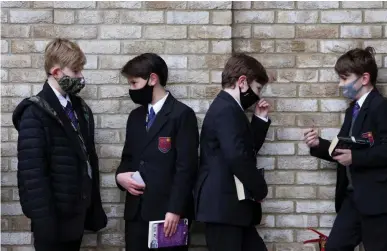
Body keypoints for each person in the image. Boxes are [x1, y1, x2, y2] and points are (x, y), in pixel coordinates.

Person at [303, 46, 387, 251]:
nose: (340, 84)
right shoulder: (352, 111)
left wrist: (355, 157)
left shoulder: (383, 106)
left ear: (364, 78)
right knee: (335, 247)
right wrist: (318, 145)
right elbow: (343, 148)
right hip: (354, 199)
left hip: (381, 201)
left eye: (344, 78)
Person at [12, 38, 107, 251]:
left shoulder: (79, 109)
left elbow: (88, 160)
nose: (80, 76)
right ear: (56, 72)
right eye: (75, 71)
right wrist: (46, 226)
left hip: (76, 218)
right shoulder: (35, 114)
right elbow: (33, 175)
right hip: (52, 223)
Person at [115, 53, 199, 251]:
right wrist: (120, 177)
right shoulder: (135, 117)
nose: (131, 89)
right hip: (136, 214)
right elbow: (128, 158)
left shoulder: (182, 115)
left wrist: (175, 209)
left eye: (134, 83)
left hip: (167, 217)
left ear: (153, 79)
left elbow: (186, 167)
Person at [194, 54, 272, 251]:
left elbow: (243, 149)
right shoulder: (226, 110)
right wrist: (259, 188)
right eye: (258, 89)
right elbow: (237, 156)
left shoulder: (230, 109)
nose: (258, 95)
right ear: (242, 82)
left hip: (231, 209)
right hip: (223, 208)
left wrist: (259, 120)